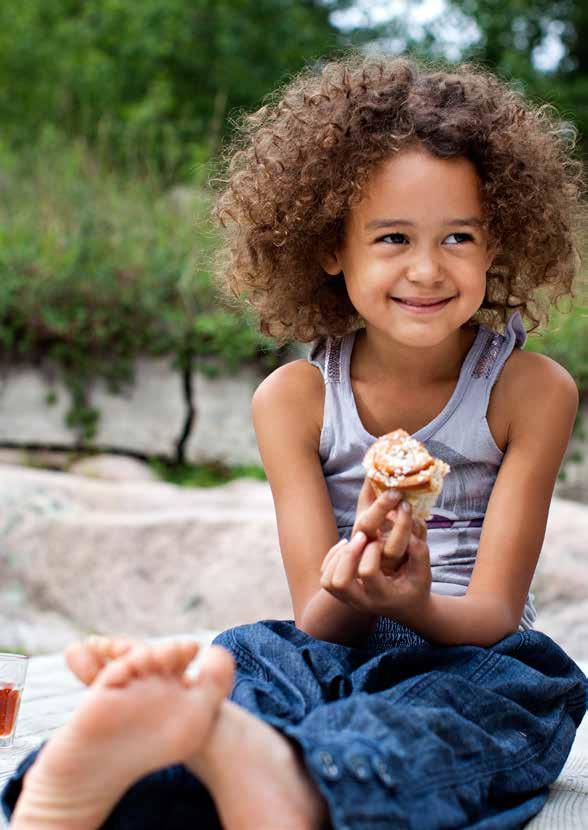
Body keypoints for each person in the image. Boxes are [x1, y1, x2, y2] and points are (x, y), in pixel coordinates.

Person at [4, 52, 588, 829]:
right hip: (335, 644)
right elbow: (316, 620)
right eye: (390, 238)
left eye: (458, 237)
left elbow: (490, 610)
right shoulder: (294, 400)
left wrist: (413, 601)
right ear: (328, 247)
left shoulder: (530, 391)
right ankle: (123, 773)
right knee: (250, 658)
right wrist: (355, 585)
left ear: (497, 244)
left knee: (472, 711)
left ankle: (273, 773)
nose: (426, 268)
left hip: (469, 653)